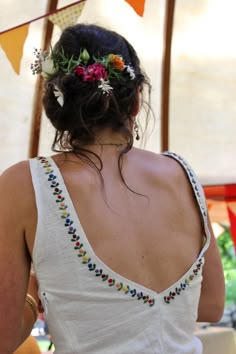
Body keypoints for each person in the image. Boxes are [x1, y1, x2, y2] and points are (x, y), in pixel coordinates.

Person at [0, 23, 225, 354]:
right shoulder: (182, 175)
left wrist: (34, 292)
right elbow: (211, 305)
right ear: (135, 101)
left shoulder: (24, 185)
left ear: (55, 107)